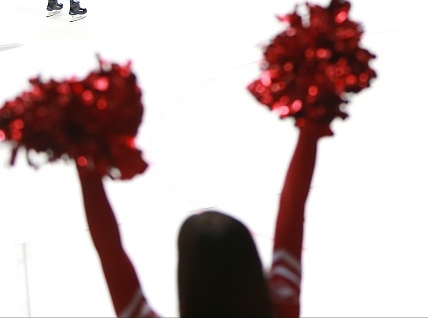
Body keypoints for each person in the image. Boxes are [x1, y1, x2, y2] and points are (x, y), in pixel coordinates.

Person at [76, 115, 328, 316]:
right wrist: (311, 124)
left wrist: (84, 160)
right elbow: (292, 210)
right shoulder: (283, 306)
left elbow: (110, 255)